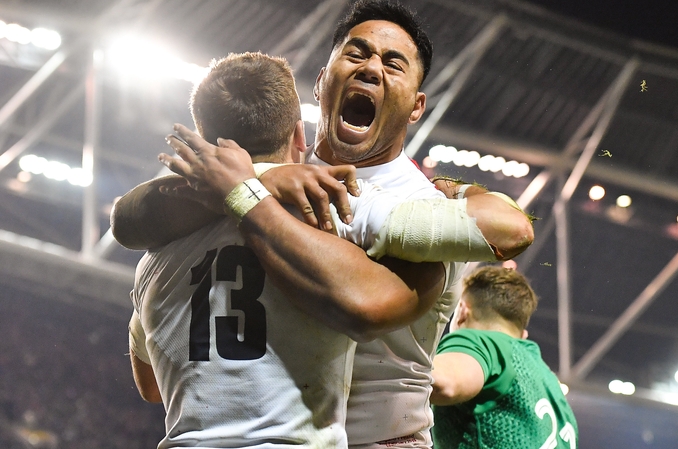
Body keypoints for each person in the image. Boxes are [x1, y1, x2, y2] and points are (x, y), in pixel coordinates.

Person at [114, 1, 535, 448]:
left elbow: (509, 231)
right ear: (319, 83)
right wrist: (263, 178)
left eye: (393, 64)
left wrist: (247, 189)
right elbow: (128, 218)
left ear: (416, 107)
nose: (371, 68)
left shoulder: (423, 206)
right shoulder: (273, 164)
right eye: (356, 54)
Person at [127, 51, 446, 449]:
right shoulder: (333, 213)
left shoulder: (153, 259)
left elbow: (150, 386)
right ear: (300, 136)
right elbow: (380, 301)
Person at [430, 266, 578, 449]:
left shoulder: (481, 341)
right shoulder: (552, 388)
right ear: (522, 334)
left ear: (462, 312)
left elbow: (444, 383)